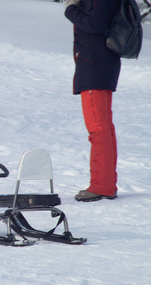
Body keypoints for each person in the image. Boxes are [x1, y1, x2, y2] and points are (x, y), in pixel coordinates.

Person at [64, 0, 120, 202]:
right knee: (104, 127)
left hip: (95, 65)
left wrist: (70, 9)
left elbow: (94, 24)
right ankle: (106, 183)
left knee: (98, 128)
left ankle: (101, 185)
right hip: (101, 63)